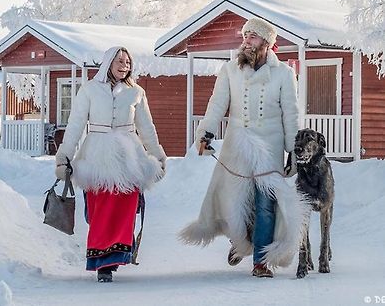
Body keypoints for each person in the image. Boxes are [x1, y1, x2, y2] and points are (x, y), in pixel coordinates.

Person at [179, 17, 307, 278]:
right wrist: (206, 132)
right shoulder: (230, 70)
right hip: (237, 144)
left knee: (265, 204)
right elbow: (217, 104)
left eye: (253, 36)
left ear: (267, 43)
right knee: (234, 201)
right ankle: (240, 243)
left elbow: (290, 114)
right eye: (245, 36)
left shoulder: (283, 74)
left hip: (269, 147)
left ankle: (260, 260)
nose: (246, 41)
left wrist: (293, 149)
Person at [55, 46, 166, 283]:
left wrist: (157, 156)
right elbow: (75, 125)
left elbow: (147, 128)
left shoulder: (136, 92)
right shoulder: (89, 90)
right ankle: (101, 258)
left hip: (129, 156)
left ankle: (113, 259)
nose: (125, 65)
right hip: (97, 155)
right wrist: (64, 157)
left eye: (128, 61)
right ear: (108, 63)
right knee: (99, 209)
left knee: (124, 208)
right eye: (120, 61)